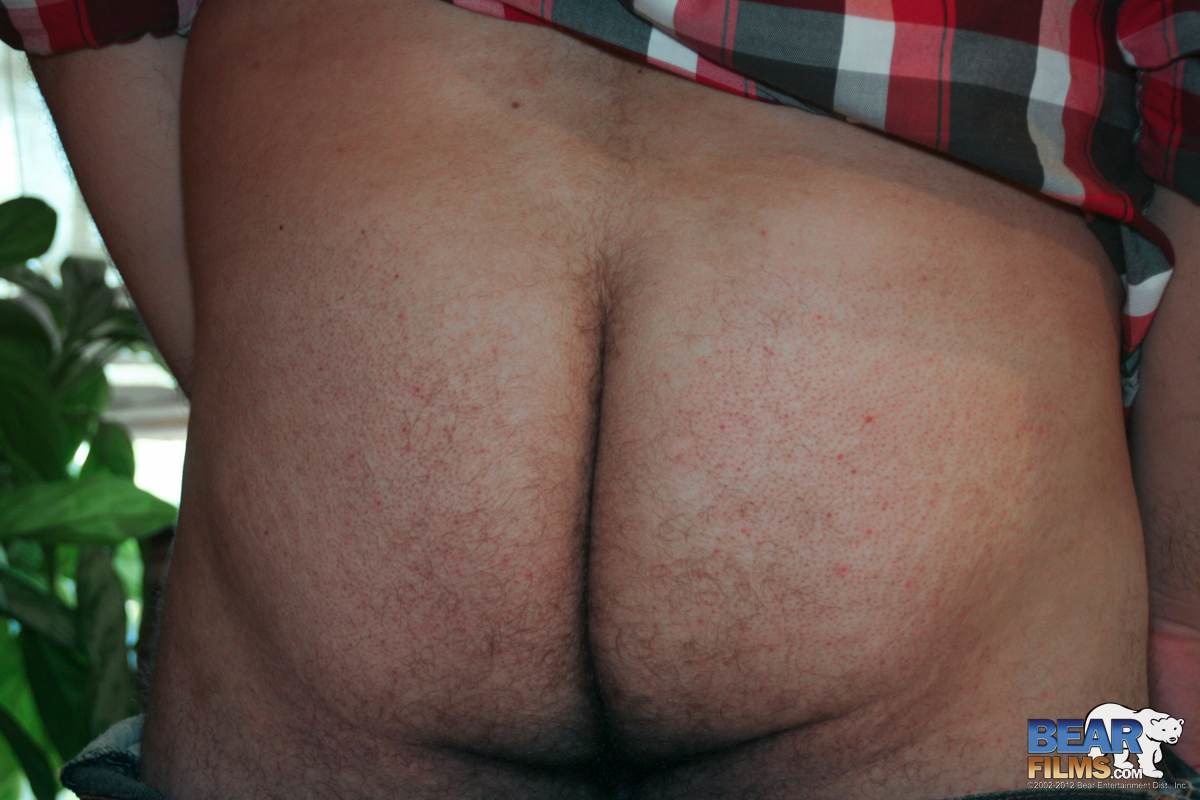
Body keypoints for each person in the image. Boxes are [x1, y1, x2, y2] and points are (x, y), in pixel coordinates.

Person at [3, 1, 1197, 798]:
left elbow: (96, 26)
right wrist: (1177, 643)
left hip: (303, 697)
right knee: (1114, 741)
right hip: (1003, 718)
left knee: (1109, 746)